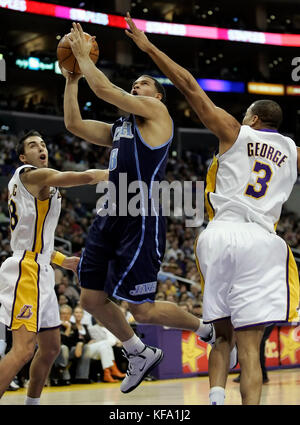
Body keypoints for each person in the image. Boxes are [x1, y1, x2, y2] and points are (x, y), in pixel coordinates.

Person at [125, 13, 300, 405]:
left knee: (222, 336)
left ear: (253, 118)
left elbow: (188, 84)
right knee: (251, 349)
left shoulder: (236, 131)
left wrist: (149, 46)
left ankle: (216, 399)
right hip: (262, 239)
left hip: (219, 234)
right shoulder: (294, 152)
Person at [62, 22, 220, 394]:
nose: (138, 86)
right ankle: (138, 351)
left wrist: (82, 56)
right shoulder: (121, 126)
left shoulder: (156, 115)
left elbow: (103, 88)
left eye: (144, 83)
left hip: (140, 217)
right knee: (90, 298)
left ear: (158, 97)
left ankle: (206, 329)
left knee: (142, 310)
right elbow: (74, 124)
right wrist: (71, 78)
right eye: (136, 84)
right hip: (108, 216)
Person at [0, 130, 108, 403]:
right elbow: (82, 178)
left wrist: (62, 260)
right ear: (24, 157)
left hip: (41, 268)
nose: (41, 148)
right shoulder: (31, 174)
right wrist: (113, 172)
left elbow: (36, 238)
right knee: (23, 350)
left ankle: (31, 403)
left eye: (44, 144)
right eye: (33, 145)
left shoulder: (38, 183)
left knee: (50, 349)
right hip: (26, 271)